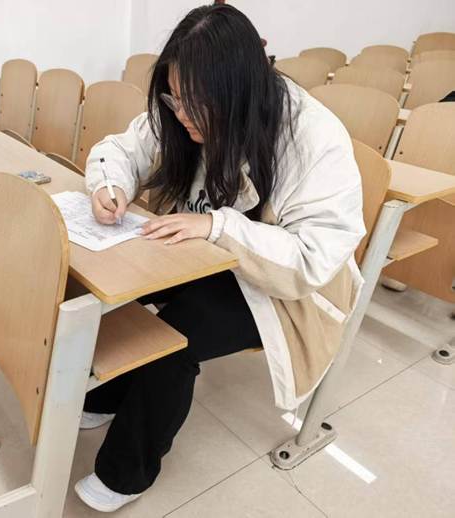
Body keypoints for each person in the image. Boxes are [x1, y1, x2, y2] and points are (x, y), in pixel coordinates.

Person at [74, 3, 366, 513]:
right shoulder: (182, 108)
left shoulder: (311, 136)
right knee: (125, 276)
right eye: (174, 99)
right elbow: (121, 149)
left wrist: (219, 226)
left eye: (195, 105)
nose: (181, 115)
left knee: (177, 334)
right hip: (208, 249)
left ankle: (126, 471)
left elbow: (313, 259)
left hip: (281, 287)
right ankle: (107, 394)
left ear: (238, 89)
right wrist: (109, 184)